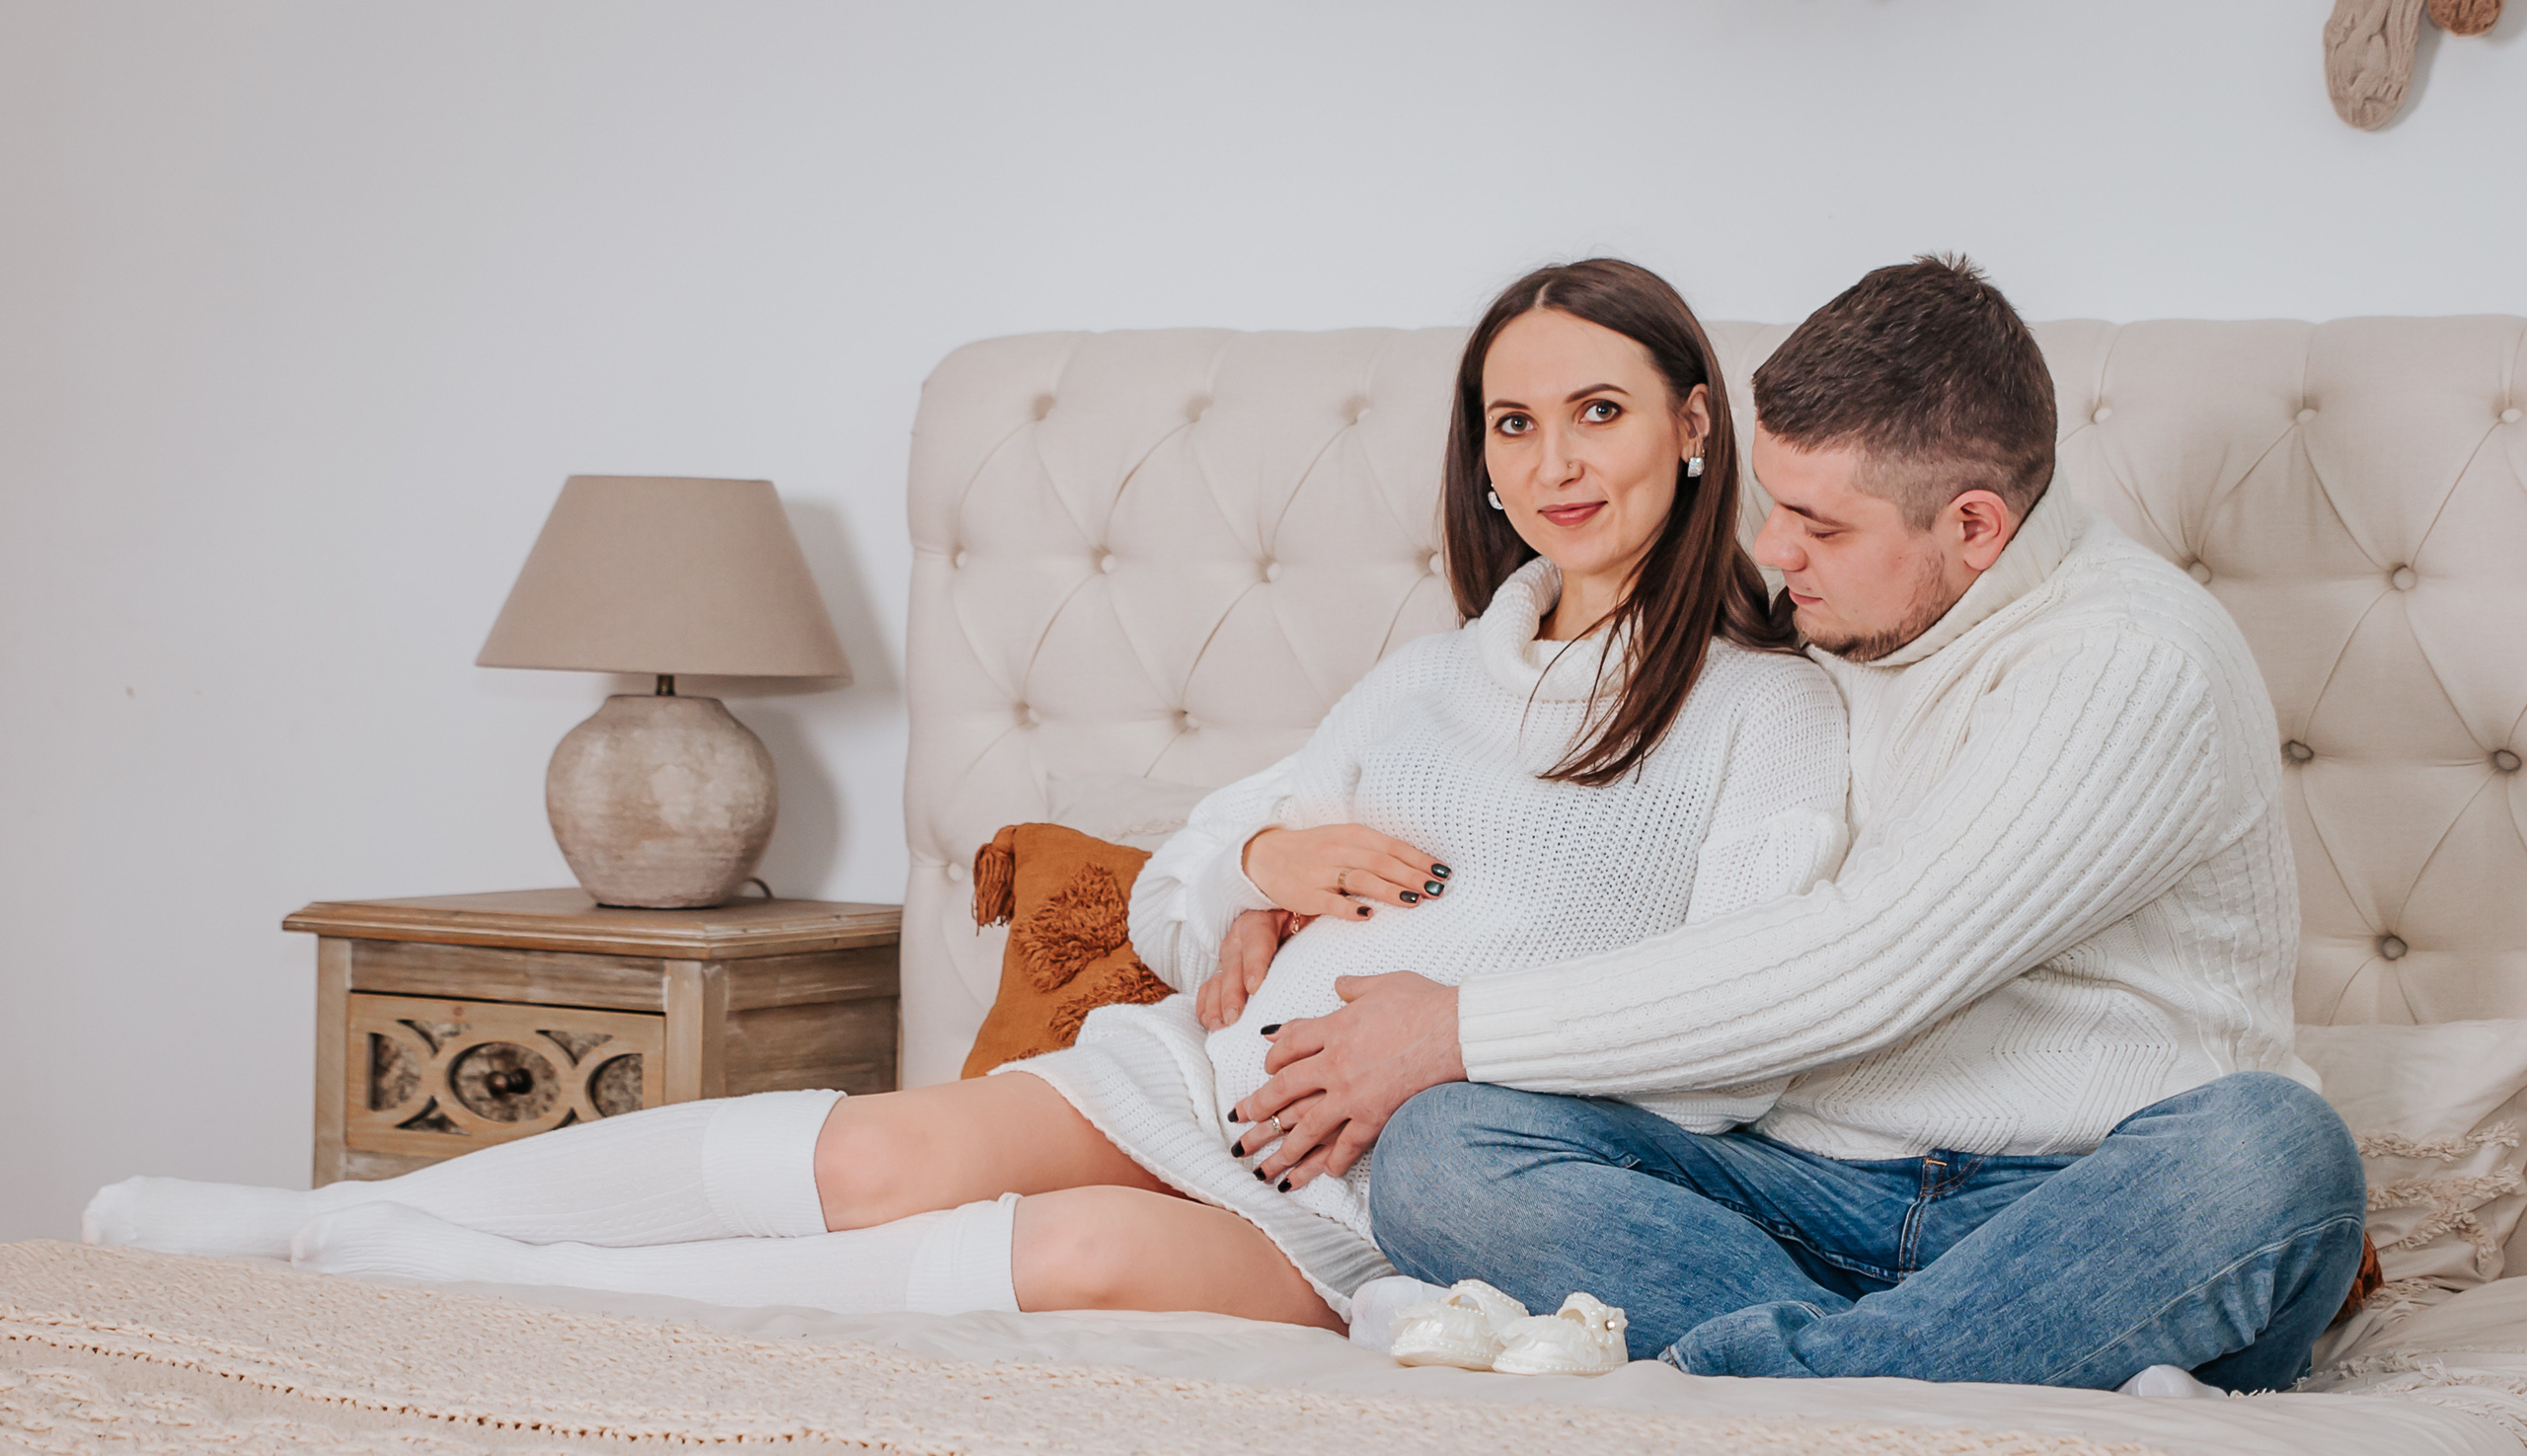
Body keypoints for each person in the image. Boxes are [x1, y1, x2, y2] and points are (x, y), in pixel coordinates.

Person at [82, 259, 1851, 1334]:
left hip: (1408, 1193)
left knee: (1070, 1254)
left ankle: (520, 1289)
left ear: (1697, 426)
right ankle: (314, 1223)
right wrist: (1256, 857)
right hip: (1200, 1077)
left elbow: (1752, 1028)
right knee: (884, 1145)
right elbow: (1164, 895)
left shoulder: (1770, 712)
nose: (1551, 463)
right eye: (1511, 423)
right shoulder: (1424, 678)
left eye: (1596, 413)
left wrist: (1448, 1037)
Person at [1220, 255, 2367, 1392]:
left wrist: (1454, 1027)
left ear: (1974, 526)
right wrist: (1267, 868)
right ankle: (1900, 1368)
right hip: (1796, 1188)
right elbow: (1464, 788)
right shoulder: (1838, 612)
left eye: (1817, 525)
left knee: (2274, 1158)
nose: (1771, 552)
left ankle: (1818, 1379)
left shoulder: (2128, 664)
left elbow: (1870, 956)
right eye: (1774, 507)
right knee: (1442, 1152)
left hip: (2068, 1212)